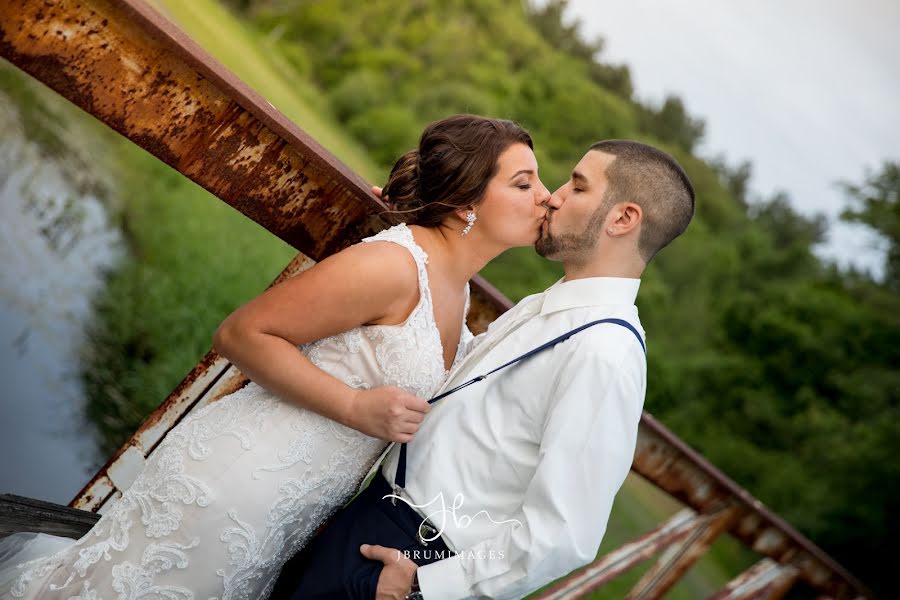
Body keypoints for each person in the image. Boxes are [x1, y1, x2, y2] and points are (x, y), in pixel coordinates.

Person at [0, 114, 550, 599]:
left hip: (284, 511)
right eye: (524, 183)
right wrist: (357, 408)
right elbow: (242, 333)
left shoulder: (459, 293)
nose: (545, 196)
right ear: (464, 202)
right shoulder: (391, 266)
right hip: (229, 486)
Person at [269, 140, 695, 599]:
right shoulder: (556, 307)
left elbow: (565, 533)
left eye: (578, 186)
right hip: (374, 517)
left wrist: (424, 586)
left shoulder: (605, 353)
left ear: (623, 219)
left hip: (415, 557)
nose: (555, 196)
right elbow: (463, 382)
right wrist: (417, 226)